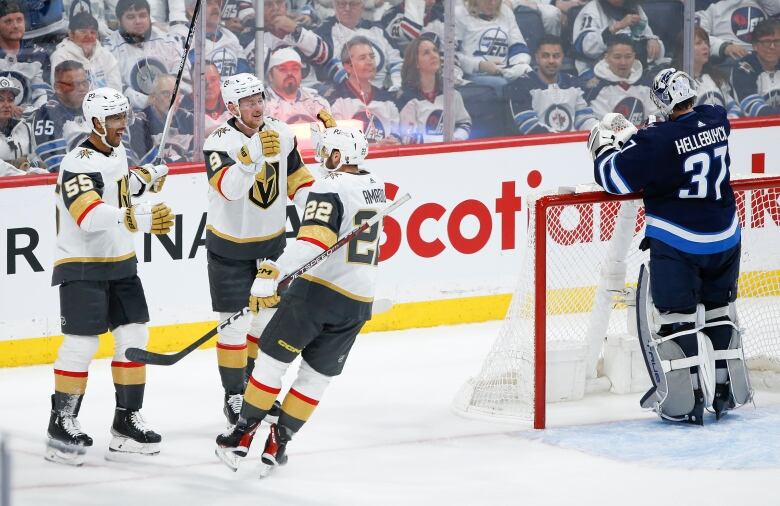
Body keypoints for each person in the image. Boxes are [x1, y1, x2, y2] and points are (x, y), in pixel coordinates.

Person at [214, 126, 386, 476]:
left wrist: (273, 273)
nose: (322, 159)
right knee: (315, 378)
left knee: (270, 364)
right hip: (357, 302)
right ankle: (279, 443)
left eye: (328, 153)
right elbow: (330, 201)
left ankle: (242, 435)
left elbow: (313, 241)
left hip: (318, 293)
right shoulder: (374, 186)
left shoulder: (329, 187)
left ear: (339, 157)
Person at [588, 68, 752, 425]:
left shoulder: (656, 143)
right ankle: (729, 391)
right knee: (720, 311)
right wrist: (644, 133)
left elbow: (613, 178)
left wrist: (604, 144)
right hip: (724, 237)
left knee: (676, 322)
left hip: (679, 242)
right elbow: (687, 131)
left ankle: (685, 401)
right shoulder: (717, 119)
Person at [46, 87, 173, 465]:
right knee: (81, 345)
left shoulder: (114, 153)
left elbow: (115, 191)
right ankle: (61, 423)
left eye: (125, 117)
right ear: (96, 122)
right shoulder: (77, 161)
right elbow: (88, 214)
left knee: (134, 337)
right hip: (82, 263)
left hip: (120, 261)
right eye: (117, 119)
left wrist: (143, 178)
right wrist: (132, 217)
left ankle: (125, 423)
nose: (124, 125)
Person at [201, 73, 323, 428]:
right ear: (231, 107)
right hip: (229, 249)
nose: (256, 107)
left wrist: (319, 210)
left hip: (271, 246)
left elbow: (297, 179)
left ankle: (254, 393)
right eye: (248, 102)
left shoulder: (282, 134)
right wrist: (252, 155)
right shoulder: (218, 142)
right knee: (233, 330)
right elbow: (230, 189)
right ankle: (234, 396)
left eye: (259, 99)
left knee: (266, 325)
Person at [506, 34, 597, 134]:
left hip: (572, 145)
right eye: (545, 56)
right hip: (540, 147)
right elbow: (527, 125)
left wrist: (599, 130)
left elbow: (584, 118)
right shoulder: (522, 84)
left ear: (562, 57)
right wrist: (561, 140)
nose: (551, 61)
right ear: (537, 58)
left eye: (556, 56)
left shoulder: (572, 83)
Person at [104, 0, 185, 109]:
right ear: (119, 21)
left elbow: (182, 71)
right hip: (134, 114)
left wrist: (170, 95)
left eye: (142, 16)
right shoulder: (109, 49)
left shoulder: (168, 41)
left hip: (172, 107)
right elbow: (114, 88)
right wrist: (148, 101)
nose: (138, 21)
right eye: (131, 17)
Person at [325, 36, 402, 144]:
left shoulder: (387, 100)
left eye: (372, 56)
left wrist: (393, 143)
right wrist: (376, 147)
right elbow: (338, 144)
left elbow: (397, 137)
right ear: (348, 67)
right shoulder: (335, 100)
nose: (369, 61)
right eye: (362, 58)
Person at [397, 35, 471, 143]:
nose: (434, 56)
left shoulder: (452, 95)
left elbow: (464, 123)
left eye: (435, 51)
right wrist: (441, 144)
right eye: (426, 53)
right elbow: (408, 138)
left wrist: (457, 137)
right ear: (416, 62)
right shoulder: (406, 98)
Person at [316, 0, 403, 91]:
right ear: (334, 5)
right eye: (342, 4)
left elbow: (396, 60)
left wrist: (397, 85)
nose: (347, 8)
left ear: (362, 6)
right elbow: (331, 65)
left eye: (353, 4)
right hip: (347, 94)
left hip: (384, 92)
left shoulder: (377, 29)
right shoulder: (324, 32)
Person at [455, 0, 532, 97]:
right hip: (473, 74)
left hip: (505, 72)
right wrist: (479, 65)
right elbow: (450, 55)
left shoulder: (506, 12)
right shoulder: (459, 13)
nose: (492, 3)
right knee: (502, 84)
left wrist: (519, 63)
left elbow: (518, 45)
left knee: (530, 79)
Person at [31, 60, 95, 173]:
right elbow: (56, 165)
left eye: (84, 83)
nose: (81, 89)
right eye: (74, 84)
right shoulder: (47, 114)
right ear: (58, 88)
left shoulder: (94, 107)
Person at [572, 0, 664, 75]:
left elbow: (647, 35)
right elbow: (586, 48)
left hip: (635, 69)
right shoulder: (591, 10)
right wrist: (617, 26)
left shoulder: (634, 7)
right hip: (598, 70)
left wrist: (652, 40)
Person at [581, 35, 657, 126]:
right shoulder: (594, 88)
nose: (623, 62)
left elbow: (656, 117)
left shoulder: (646, 84)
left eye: (628, 56)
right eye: (617, 57)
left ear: (634, 57)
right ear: (606, 58)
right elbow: (593, 123)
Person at [671, 27, 741, 119]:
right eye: (698, 43)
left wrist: (729, 119)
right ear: (684, 50)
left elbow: (733, 107)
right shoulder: (674, 83)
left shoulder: (717, 78)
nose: (705, 47)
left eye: (706, 42)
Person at [0, 1, 50, 117]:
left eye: (19, 20)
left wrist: (26, 112)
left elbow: (43, 96)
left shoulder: (38, 54)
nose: (16, 25)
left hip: (28, 122)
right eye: (8, 21)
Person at [50, 12, 122, 91]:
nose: (89, 36)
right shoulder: (61, 56)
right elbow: (64, 92)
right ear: (71, 34)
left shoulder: (106, 56)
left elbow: (116, 90)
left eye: (92, 32)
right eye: (83, 31)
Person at [131, 74, 194, 164]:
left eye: (176, 93)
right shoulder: (139, 123)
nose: (172, 98)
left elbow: (199, 155)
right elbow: (151, 164)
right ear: (153, 98)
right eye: (165, 93)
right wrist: (181, 160)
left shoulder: (188, 119)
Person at [263, 47, 332, 124]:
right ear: (270, 76)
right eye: (283, 69)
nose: (290, 73)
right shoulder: (261, 105)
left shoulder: (317, 102)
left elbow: (328, 132)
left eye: (295, 69)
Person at [731, 18, 780, 117]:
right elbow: (752, 108)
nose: (772, 47)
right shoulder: (743, 69)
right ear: (754, 46)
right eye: (766, 42)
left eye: (777, 41)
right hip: (751, 129)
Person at [0, 76, 34, 169]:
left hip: (29, 183)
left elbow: (37, 158)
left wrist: (34, 165)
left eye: (10, 100)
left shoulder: (25, 127)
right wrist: (14, 165)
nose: (7, 105)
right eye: (0, 100)